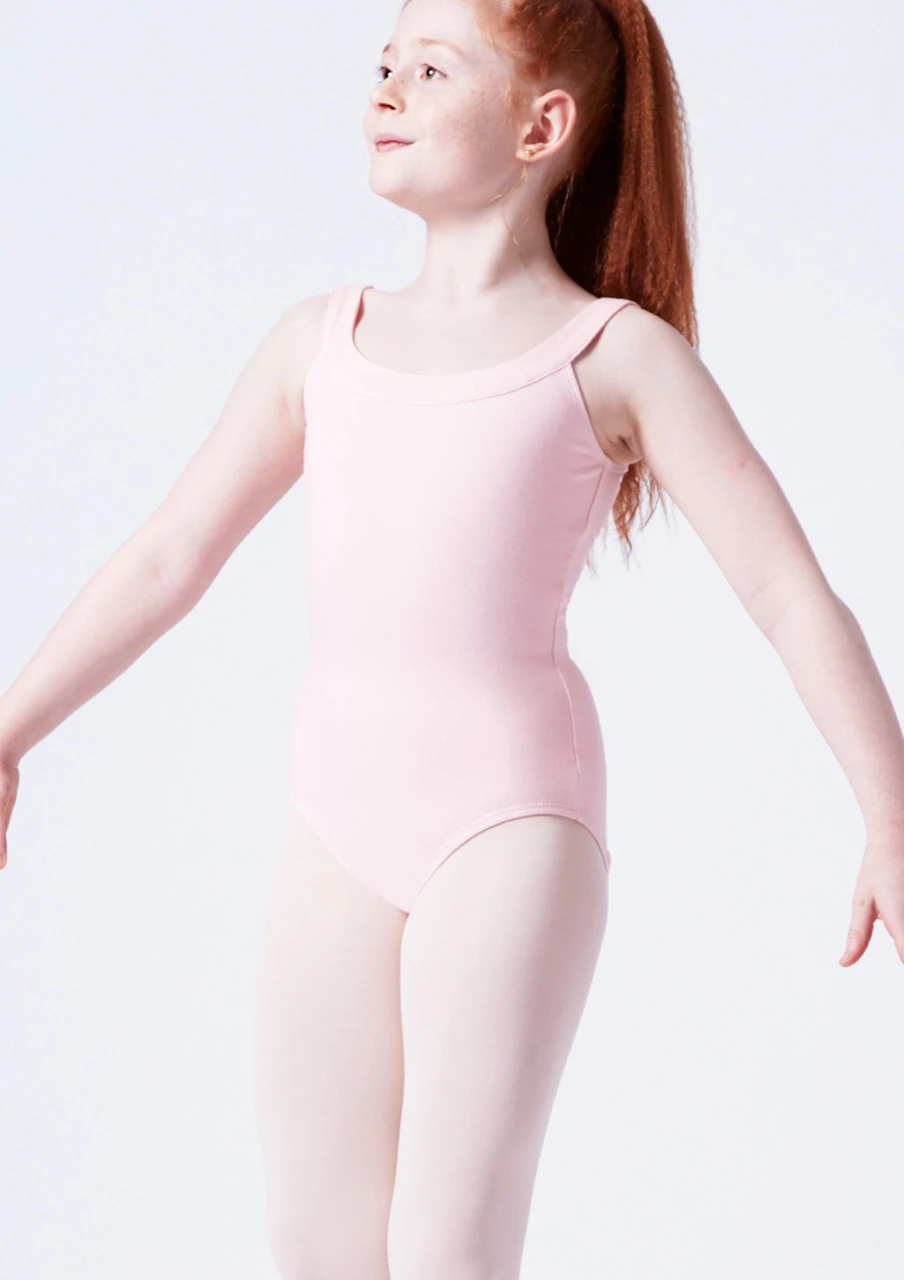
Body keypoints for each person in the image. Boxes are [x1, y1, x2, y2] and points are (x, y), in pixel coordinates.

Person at [2, 0, 902, 1276]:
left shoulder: (615, 355)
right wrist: (10, 730)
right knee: (320, 1245)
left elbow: (788, 591)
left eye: (431, 69)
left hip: (511, 823)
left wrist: (888, 811)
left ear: (542, 125)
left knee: (446, 1247)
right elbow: (167, 555)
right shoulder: (318, 345)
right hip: (333, 821)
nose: (386, 88)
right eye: (384, 63)